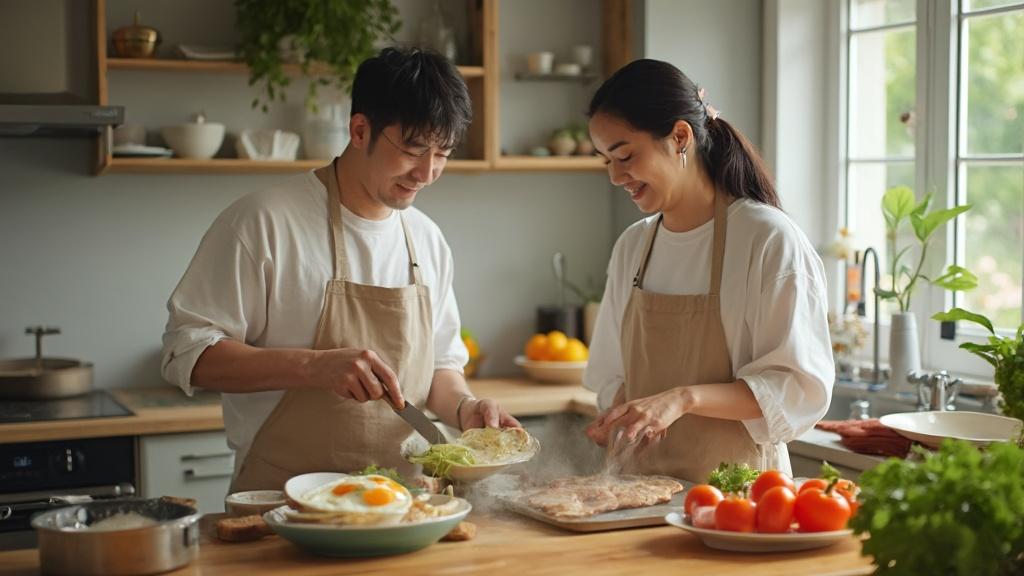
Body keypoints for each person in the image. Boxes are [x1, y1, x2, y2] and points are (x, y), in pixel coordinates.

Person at [161, 47, 520, 492]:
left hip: (405, 503)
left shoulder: (426, 239)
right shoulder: (263, 222)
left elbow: (442, 367)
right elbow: (188, 354)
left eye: (442, 153)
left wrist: (467, 408)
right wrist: (313, 368)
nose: (427, 172)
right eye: (412, 149)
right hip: (282, 506)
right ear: (359, 129)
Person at [582, 59, 833, 482]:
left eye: (624, 155)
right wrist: (622, 419)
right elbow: (613, 375)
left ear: (680, 137)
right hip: (637, 494)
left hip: (738, 501)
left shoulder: (766, 239)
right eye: (606, 160)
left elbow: (795, 388)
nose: (614, 176)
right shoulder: (634, 247)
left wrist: (683, 399)